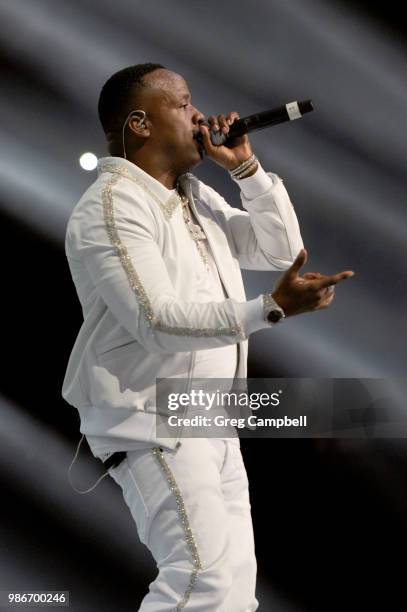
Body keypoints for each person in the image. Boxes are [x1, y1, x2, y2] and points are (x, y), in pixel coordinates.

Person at [62, 63, 354, 611]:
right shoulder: (112, 208)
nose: (200, 115)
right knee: (203, 580)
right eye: (182, 103)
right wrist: (270, 309)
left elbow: (278, 250)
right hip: (152, 418)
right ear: (141, 124)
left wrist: (246, 169)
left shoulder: (194, 196)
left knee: (234, 591)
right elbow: (158, 320)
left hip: (207, 417)